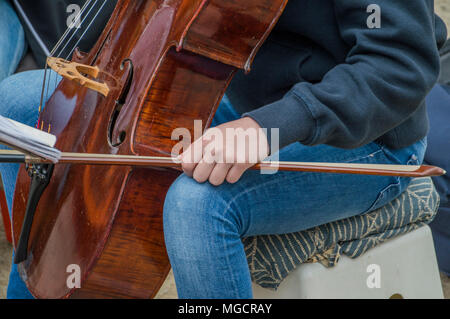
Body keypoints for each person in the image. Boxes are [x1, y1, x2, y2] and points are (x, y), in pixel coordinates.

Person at [0, 0, 447, 299]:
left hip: (362, 134)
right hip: (231, 86)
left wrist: (267, 126)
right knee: (18, 104)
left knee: (197, 205)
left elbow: (399, 66)